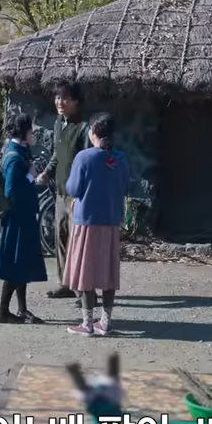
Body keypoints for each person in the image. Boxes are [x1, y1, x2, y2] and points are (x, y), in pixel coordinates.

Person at [63, 113, 133, 337]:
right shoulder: (121, 158)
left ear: (92, 132)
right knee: (108, 272)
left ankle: (87, 323)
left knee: (86, 272)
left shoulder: (84, 157)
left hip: (87, 222)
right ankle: (106, 321)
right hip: (111, 221)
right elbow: (127, 187)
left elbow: (73, 188)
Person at [35, 81, 91, 300]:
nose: (60, 102)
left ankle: (84, 289)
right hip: (60, 193)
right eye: (57, 97)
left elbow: (88, 163)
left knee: (79, 243)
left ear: (76, 102)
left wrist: (82, 194)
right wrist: (48, 172)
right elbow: (57, 154)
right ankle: (65, 283)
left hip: (77, 196)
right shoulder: (59, 123)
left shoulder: (84, 128)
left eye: (65, 98)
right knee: (61, 238)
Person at [0, 114, 48, 324]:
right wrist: (30, 176)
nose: (34, 134)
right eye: (31, 131)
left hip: (22, 217)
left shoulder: (18, 152)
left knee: (20, 263)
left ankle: (22, 309)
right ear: (24, 133)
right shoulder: (15, 158)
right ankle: (3, 311)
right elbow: (11, 191)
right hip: (18, 218)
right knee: (16, 264)